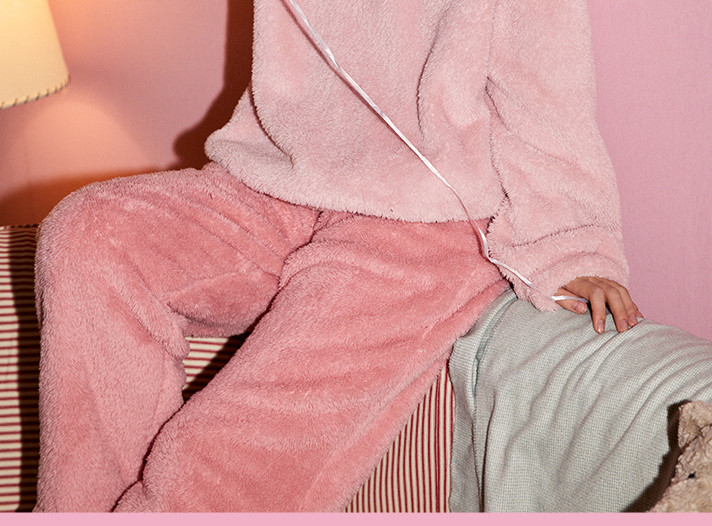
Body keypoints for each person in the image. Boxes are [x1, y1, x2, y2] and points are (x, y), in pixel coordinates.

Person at [33, 0, 640, 512]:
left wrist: (574, 242)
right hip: (277, 179)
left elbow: (546, 96)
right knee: (90, 234)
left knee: (222, 455)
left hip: (425, 219)